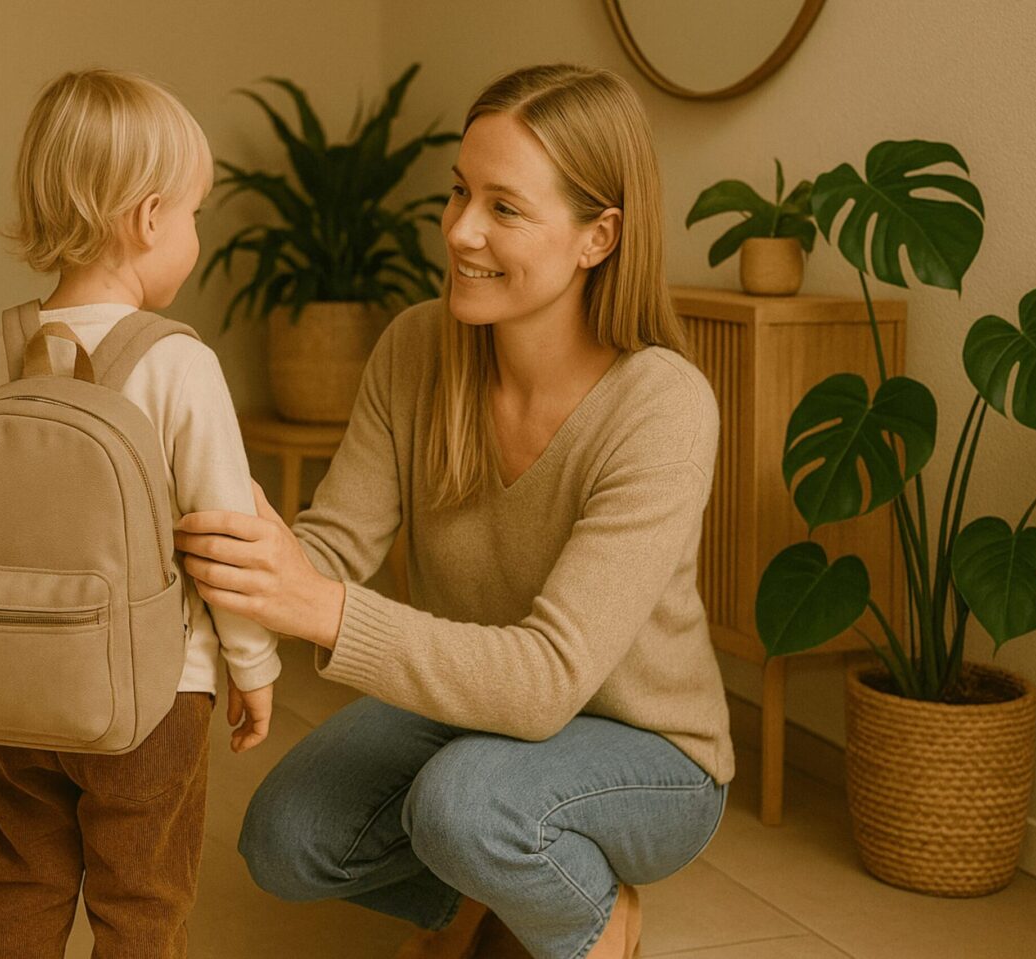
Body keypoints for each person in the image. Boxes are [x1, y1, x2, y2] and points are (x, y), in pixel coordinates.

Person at [172, 64, 733, 959]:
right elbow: (333, 544)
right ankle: (486, 891)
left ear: (598, 237)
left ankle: (596, 913)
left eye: (504, 207)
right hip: (475, 708)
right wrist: (233, 554)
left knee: (462, 805)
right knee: (285, 838)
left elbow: (548, 677)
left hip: (647, 747)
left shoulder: (661, 405)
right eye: (460, 192)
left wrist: (321, 608)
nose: (461, 230)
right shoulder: (416, 347)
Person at [0, 69, 280, 959]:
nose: (196, 235)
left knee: (24, 876)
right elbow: (225, 537)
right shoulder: (179, 364)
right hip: (151, 696)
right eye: (195, 214)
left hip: (12, 694)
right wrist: (252, 662)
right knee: (142, 897)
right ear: (148, 217)